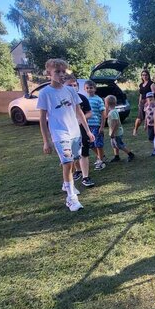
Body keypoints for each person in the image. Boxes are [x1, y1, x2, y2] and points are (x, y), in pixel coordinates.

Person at [38, 58, 95, 212]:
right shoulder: (45, 93)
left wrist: (87, 131)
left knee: (73, 160)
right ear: (49, 73)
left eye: (63, 71)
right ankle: (71, 198)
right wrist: (46, 141)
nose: (61, 74)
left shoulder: (70, 91)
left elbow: (79, 112)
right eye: (57, 71)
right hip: (59, 133)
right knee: (68, 162)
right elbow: (42, 119)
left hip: (74, 132)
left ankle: (66, 183)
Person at [64, 73, 95, 188]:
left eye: (74, 85)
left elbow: (89, 113)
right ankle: (78, 170)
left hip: (81, 129)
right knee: (72, 153)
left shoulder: (82, 98)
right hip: (67, 131)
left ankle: (85, 177)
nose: (73, 87)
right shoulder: (61, 100)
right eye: (70, 85)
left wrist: (80, 120)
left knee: (84, 152)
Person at [105, 95, 135, 162]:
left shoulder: (112, 113)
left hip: (116, 133)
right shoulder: (112, 111)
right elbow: (106, 115)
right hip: (114, 132)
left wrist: (113, 133)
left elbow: (116, 123)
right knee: (114, 145)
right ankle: (117, 156)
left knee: (119, 145)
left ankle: (130, 154)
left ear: (107, 104)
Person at [84, 80, 106, 170]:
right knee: (90, 144)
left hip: (96, 125)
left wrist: (102, 126)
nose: (89, 90)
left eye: (91, 88)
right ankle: (101, 156)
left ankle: (101, 161)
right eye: (87, 88)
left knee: (98, 144)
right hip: (87, 126)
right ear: (84, 89)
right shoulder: (84, 99)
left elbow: (103, 113)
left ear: (95, 89)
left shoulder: (98, 99)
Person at [133, 69, 152, 136]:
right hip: (142, 102)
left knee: (149, 117)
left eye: (146, 75)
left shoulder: (151, 84)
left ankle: (150, 131)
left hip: (150, 102)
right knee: (140, 118)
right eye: (143, 75)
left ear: (148, 76)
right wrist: (139, 103)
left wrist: (149, 101)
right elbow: (141, 94)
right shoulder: (141, 85)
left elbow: (154, 94)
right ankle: (135, 130)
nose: (144, 76)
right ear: (141, 76)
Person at [144, 91, 155, 156]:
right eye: (149, 100)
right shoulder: (146, 106)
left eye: (152, 99)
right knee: (150, 138)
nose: (151, 101)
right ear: (147, 100)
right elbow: (146, 116)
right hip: (149, 125)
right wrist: (145, 124)